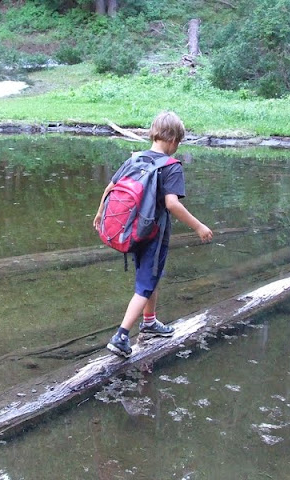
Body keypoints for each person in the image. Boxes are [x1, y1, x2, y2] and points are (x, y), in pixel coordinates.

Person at [93, 111, 213, 358]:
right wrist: (199, 226)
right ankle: (121, 336)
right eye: (178, 143)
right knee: (146, 284)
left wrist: (100, 214)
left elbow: (110, 187)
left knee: (150, 277)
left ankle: (149, 322)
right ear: (173, 140)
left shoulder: (135, 159)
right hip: (153, 235)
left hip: (131, 229)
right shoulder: (171, 167)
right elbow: (172, 204)